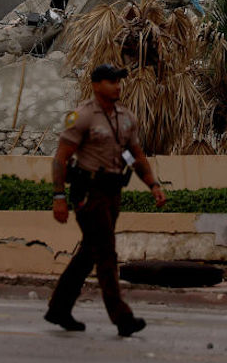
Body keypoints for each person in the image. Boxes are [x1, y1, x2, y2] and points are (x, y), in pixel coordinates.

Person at [44, 63, 167, 337]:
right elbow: (61, 158)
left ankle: (59, 309)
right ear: (97, 84)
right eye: (111, 81)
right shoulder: (82, 116)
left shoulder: (125, 118)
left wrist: (154, 185)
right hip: (88, 193)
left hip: (112, 193)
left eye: (119, 81)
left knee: (90, 253)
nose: (118, 86)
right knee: (107, 254)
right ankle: (122, 317)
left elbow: (135, 155)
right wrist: (58, 197)